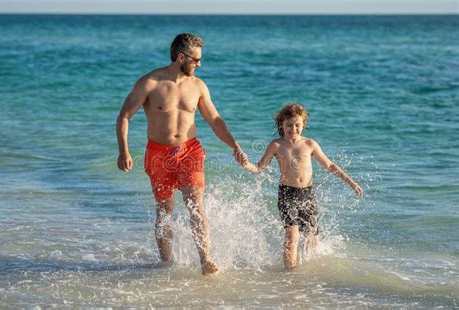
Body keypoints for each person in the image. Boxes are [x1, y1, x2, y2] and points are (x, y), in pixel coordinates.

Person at [116, 33, 246, 275]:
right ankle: (165, 262)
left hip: (190, 151)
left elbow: (215, 120)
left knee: (195, 203)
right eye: (196, 59)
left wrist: (234, 146)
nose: (199, 64)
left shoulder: (198, 86)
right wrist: (123, 150)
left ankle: (205, 260)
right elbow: (124, 116)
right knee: (165, 210)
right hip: (158, 154)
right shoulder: (150, 83)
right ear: (180, 57)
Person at [240, 103, 363, 271]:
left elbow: (330, 165)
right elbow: (259, 168)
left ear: (303, 124)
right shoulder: (276, 145)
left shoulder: (310, 144)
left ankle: (311, 274)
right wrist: (246, 164)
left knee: (313, 239)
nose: (293, 129)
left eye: (297, 125)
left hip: (307, 194)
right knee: (292, 237)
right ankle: (290, 275)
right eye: (289, 125)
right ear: (281, 124)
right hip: (287, 194)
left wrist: (351, 182)